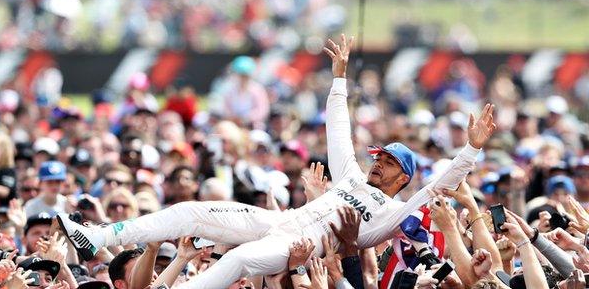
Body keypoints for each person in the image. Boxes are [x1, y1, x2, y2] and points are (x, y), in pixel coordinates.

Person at [55, 34, 496, 289]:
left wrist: (471, 151)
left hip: (297, 247)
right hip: (280, 222)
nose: (377, 163)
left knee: (240, 260)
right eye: (378, 157)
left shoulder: (393, 212)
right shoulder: (352, 177)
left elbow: (436, 187)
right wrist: (339, 79)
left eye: (389, 163)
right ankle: (98, 235)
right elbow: (337, 130)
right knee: (192, 212)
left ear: (404, 177)